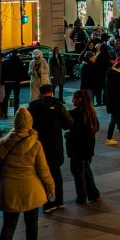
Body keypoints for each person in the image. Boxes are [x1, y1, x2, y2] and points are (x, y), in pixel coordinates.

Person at [0, 107, 54, 240]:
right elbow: (43, 170)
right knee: (31, 223)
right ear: (30, 123)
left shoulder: (4, 143)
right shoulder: (36, 143)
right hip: (31, 189)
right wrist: (50, 187)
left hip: (10, 189)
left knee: (8, 226)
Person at [28, 83, 72, 213]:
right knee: (56, 173)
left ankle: (47, 202)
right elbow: (68, 123)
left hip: (40, 144)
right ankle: (60, 201)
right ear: (51, 92)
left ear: (40, 93)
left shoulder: (34, 107)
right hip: (55, 143)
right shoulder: (58, 106)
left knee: (42, 173)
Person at [67, 89, 101, 204]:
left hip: (77, 149)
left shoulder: (76, 114)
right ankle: (94, 194)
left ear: (80, 99)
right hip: (88, 148)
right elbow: (97, 127)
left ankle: (82, 196)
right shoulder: (91, 113)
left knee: (78, 172)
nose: (73, 100)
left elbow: (73, 130)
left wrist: (68, 135)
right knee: (86, 170)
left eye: (75, 98)